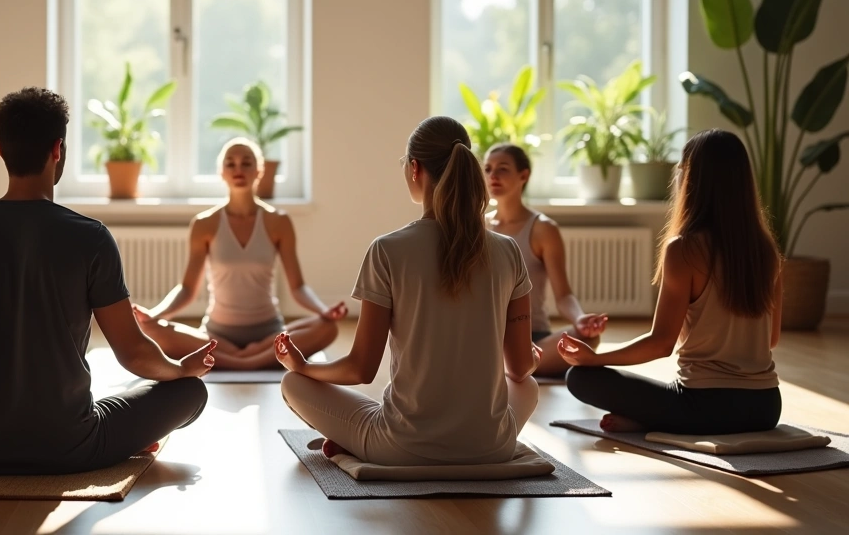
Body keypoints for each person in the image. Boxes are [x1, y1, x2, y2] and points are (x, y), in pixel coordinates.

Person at [0, 87, 215, 475]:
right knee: (191, 392)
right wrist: (179, 369)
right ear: (58, 149)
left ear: (0, 150)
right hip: (74, 448)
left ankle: (122, 434)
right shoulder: (91, 237)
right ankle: (128, 438)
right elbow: (134, 354)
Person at [276, 116, 540, 465]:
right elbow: (520, 369)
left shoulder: (388, 249)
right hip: (492, 448)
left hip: (401, 448)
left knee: (292, 384)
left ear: (415, 168)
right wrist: (532, 355)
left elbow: (360, 369)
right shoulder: (508, 251)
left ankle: (352, 442)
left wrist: (304, 366)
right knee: (528, 386)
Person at [561, 129, 783, 434]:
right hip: (766, 408)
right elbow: (770, 339)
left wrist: (595, 357)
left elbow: (661, 343)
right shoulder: (766, 250)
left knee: (580, 377)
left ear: (691, 179)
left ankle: (654, 420)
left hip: (704, 406)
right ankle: (657, 418)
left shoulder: (684, 249)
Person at [133, 138, 345, 370]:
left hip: (268, 332)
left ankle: (235, 361)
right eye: (230, 164)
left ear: (259, 171)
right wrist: (154, 314)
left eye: (246, 163)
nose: (238, 170)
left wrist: (324, 311)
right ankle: (255, 360)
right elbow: (186, 289)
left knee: (328, 327)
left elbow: (298, 287)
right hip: (217, 333)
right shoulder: (205, 223)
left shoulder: (279, 222)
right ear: (220, 172)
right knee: (151, 328)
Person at [484, 143, 608, 377]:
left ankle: (508, 367)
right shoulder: (479, 226)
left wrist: (580, 319)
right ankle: (512, 367)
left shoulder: (543, 229)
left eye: (502, 169)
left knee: (587, 339)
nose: (493, 176)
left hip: (532, 339)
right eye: (488, 169)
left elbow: (564, 296)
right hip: (488, 339)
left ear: (524, 175)